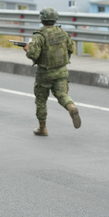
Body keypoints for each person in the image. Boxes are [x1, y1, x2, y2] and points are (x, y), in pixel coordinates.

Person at [23, 7, 81, 136]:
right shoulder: (62, 32)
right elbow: (71, 48)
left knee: (41, 100)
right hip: (62, 71)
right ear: (55, 19)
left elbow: (33, 54)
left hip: (44, 73)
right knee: (62, 94)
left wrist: (27, 49)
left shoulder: (39, 35)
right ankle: (71, 107)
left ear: (42, 19)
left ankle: (42, 128)